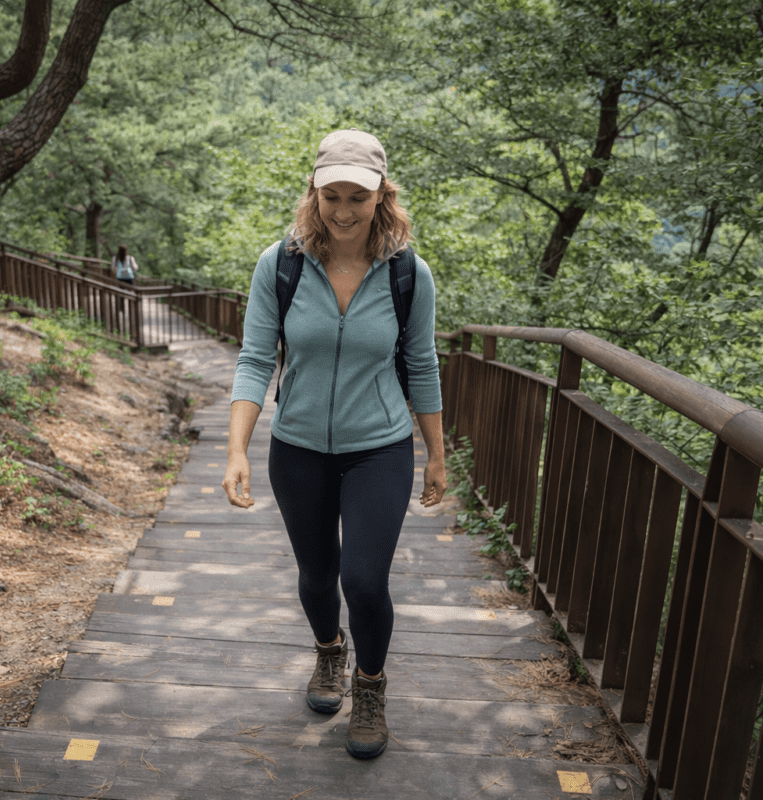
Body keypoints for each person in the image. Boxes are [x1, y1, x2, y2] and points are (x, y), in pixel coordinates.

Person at [222, 128, 446, 760]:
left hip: (379, 447)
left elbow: (422, 365)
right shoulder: (281, 264)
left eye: (359, 197)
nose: (344, 211)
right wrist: (236, 449)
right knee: (318, 575)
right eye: (332, 197)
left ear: (383, 197)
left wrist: (437, 453)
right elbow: (253, 359)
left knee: (364, 579)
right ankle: (328, 653)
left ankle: (370, 685)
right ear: (313, 194)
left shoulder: (408, 274)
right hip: (295, 447)